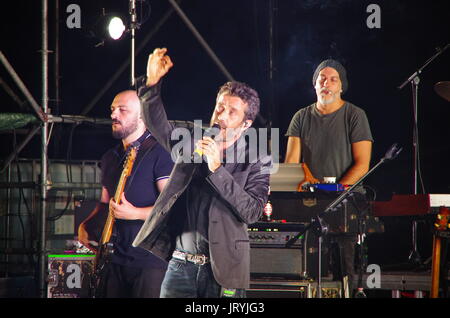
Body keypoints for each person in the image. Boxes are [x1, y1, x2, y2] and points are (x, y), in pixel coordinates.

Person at [132, 47, 272, 298]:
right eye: (220, 107)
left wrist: (217, 169)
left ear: (246, 123)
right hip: (180, 265)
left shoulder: (257, 159)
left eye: (232, 112)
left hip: (224, 270)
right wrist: (152, 84)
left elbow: (252, 212)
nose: (222, 115)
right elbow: (158, 125)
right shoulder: (192, 141)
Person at [284, 59, 373, 296]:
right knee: (310, 267)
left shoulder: (355, 115)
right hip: (310, 202)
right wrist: (308, 177)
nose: (327, 83)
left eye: (333, 79)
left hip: (348, 200)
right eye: (322, 78)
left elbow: (362, 164)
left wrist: (336, 191)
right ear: (314, 84)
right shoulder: (301, 117)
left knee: (346, 271)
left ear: (341, 86)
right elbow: (291, 163)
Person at [77, 90, 173, 298]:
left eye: (123, 110)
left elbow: (172, 208)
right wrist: (87, 224)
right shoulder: (110, 157)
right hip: (114, 259)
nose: (114, 115)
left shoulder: (160, 153)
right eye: (112, 109)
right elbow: (105, 204)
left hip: (150, 262)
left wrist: (135, 213)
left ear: (142, 116)